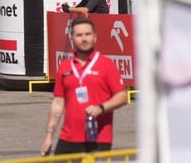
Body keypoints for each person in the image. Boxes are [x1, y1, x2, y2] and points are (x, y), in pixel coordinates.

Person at [40, 17, 127, 156]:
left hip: (98, 138)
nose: (84, 39)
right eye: (79, 35)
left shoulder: (106, 65)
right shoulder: (65, 66)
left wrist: (101, 108)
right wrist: (49, 136)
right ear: (72, 38)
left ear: (95, 37)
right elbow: (58, 102)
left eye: (88, 34)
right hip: (68, 138)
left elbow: (122, 96)